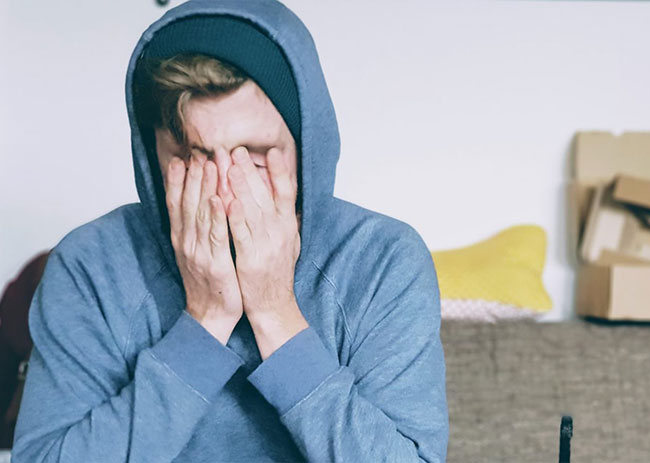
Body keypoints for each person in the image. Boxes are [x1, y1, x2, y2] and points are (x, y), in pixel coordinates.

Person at [11, 1, 449, 462]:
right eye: (193, 156)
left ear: (306, 145)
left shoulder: (384, 260)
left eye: (255, 155)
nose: (224, 189)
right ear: (152, 154)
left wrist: (276, 314)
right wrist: (205, 322)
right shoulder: (89, 265)